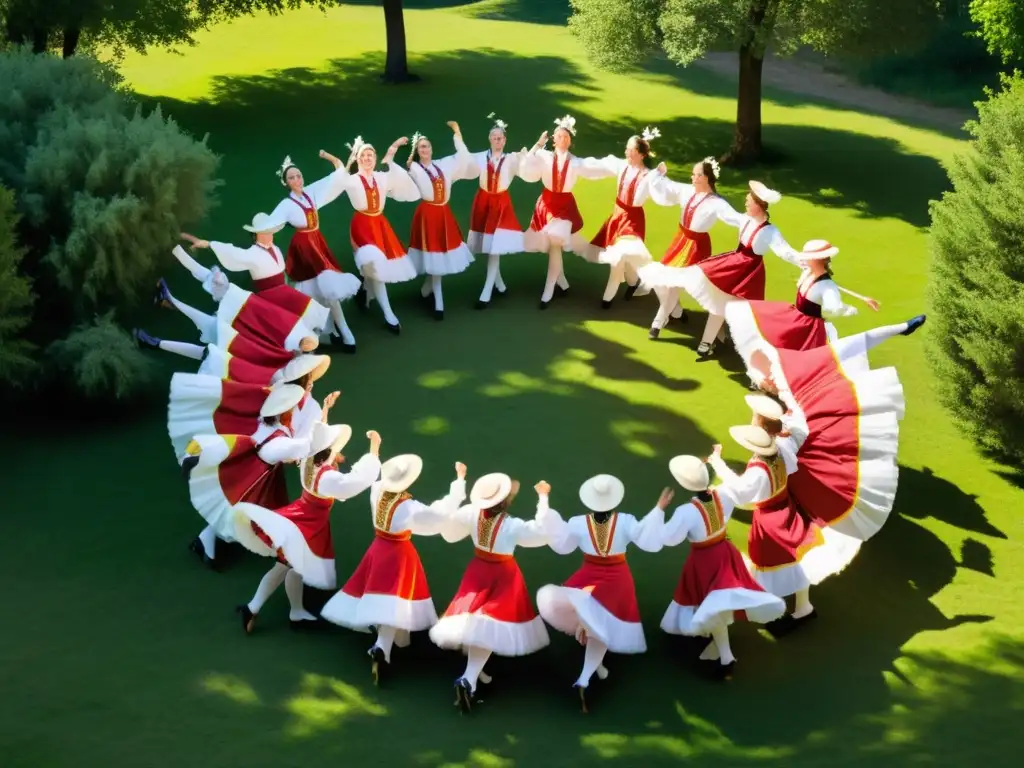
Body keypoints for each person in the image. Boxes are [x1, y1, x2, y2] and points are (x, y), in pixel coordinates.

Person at [743, 317, 923, 633]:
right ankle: (803, 607)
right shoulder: (792, 429)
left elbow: (746, 494)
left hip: (785, 502)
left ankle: (783, 607)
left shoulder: (781, 441)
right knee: (798, 554)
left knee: (785, 558)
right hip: (795, 493)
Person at [706, 397, 862, 636]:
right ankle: (803, 607)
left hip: (770, 525)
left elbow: (739, 491)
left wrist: (717, 465)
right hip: (787, 511)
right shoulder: (782, 450)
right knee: (798, 558)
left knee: (772, 566)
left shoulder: (758, 470)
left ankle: (768, 608)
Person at [321, 458, 467, 684]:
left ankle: (384, 645)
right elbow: (437, 516)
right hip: (399, 554)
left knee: (383, 598)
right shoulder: (407, 506)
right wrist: (458, 485)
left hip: (378, 548)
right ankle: (382, 646)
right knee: (394, 601)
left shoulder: (377, 489)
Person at [535, 475, 668, 712]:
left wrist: (543, 498)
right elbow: (645, 536)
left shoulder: (578, 523)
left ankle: (591, 669)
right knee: (602, 627)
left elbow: (560, 540)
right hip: (617, 580)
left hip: (588, 576)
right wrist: (658, 510)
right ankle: (585, 678)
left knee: (590, 615)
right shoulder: (625, 521)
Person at [232, 423, 382, 633]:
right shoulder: (327, 477)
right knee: (285, 566)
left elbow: (324, 451)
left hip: (300, 514)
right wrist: (373, 453)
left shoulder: (308, 461)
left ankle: (295, 611)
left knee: (292, 567)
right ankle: (253, 608)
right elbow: (353, 482)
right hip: (309, 524)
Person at [429, 473, 551, 713]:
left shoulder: (472, 514)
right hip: (504, 576)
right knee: (489, 625)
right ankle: (469, 679)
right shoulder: (511, 525)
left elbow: (450, 530)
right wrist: (543, 498)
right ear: (505, 502)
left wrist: (458, 482)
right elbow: (540, 532)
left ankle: (475, 672)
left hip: (478, 570)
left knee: (478, 623)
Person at [658, 455, 786, 679]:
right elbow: (738, 489)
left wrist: (659, 511)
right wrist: (717, 459)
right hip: (726, 552)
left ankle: (726, 657)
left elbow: (669, 539)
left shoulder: (685, 512)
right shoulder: (723, 492)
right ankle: (717, 643)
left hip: (704, 561)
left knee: (712, 602)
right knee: (718, 601)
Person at [181, 384, 315, 569]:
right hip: (255, 479)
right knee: (240, 517)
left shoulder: (264, 423)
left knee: (237, 512)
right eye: (294, 407)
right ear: (285, 413)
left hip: (249, 473)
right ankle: (279, 549)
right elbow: (303, 447)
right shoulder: (278, 441)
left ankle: (206, 542)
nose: (297, 410)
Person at [673, 181, 802, 358]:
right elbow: (726, 215)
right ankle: (707, 342)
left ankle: (754, 350)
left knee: (746, 313)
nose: (746, 203)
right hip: (734, 265)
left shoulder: (770, 231)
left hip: (750, 274)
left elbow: (785, 252)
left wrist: (807, 262)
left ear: (759, 205)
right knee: (719, 302)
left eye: (749, 201)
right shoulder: (744, 219)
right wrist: (710, 201)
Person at [725, 239, 880, 384]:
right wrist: (849, 309)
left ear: (818, 260)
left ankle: (779, 380)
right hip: (806, 322)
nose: (804, 260)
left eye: (808, 257)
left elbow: (834, 307)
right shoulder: (817, 279)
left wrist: (846, 308)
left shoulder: (815, 279)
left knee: (796, 354)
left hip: (804, 322)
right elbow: (835, 309)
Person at [519, 115, 620, 308]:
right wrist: (538, 144)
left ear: (570, 141)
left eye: (566, 137)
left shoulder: (576, 162)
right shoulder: (545, 156)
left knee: (556, 243)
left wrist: (618, 167)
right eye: (559, 136)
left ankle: (548, 290)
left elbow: (597, 168)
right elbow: (527, 166)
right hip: (547, 204)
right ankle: (562, 283)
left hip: (564, 206)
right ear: (553, 139)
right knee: (553, 244)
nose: (563, 140)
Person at [635, 157, 742, 338]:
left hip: (695, 246)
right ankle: (675, 313)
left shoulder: (716, 202)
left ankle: (657, 324)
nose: (692, 177)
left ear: (706, 178)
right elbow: (668, 187)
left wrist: (753, 222)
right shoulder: (687, 191)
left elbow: (735, 217)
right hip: (680, 241)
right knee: (665, 280)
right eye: (693, 174)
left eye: (696, 175)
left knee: (675, 284)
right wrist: (657, 173)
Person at [269, 151, 362, 351]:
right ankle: (322, 334)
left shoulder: (311, 192)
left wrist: (332, 159)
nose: (297, 180)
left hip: (317, 243)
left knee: (329, 290)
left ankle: (342, 332)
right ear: (286, 183)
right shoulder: (286, 204)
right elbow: (271, 224)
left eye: (298, 176)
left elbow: (332, 180)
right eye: (291, 178)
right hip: (303, 249)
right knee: (313, 294)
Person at [180, 214, 330, 335]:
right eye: (267, 230)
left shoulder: (275, 249)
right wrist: (208, 244)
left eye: (271, 229)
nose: (271, 233)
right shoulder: (252, 253)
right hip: (270, 300)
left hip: (285, 295)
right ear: (258, 234)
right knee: (286, 327)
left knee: (306, 314)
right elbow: (232, 252)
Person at [340, 135, 421, 334]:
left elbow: (391, 166)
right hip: (362, 226)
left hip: (380, 225)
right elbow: (337, 180)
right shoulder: (351, 181)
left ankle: (365, 292)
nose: (367, 158)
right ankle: (388, 313)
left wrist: (393, 147)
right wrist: (350, 157)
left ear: (375, 159)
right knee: (375, 264)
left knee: (377, 267)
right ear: (358, 159)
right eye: (363, 155)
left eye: (370, 155)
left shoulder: (382, 178)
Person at [583, 128, 663, 309]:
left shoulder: (649, 176)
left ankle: (607, 297)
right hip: (617, 215)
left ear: (642, 155)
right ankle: (634, 282)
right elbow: (599, 164)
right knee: (623, 257)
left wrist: (660, 175)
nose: (627, 152)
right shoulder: (622, 165)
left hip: (633, 219)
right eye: (627, 149)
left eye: (631, 150)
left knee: (619, 256)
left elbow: (663, 191)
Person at [405, 122, 476, 319]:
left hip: (443, 212)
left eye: (427, 146)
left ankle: (428, 289)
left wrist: (457, 133)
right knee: (433, 252)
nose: (424, 149)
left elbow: (463, 158)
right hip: (427, 214)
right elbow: (405, 177)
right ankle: (438, 301)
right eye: (421, 147)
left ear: (431, 149)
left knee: (440, 252)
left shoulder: (443, 164)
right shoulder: (415, 169)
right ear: (417, 151)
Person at [464, 113, 526, 308]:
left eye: (500, 138)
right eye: (494, 137)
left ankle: (486, 292)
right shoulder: (480, 157)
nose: (497, 140)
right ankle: (499, 285)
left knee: (494, 248)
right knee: (488, 246)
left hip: (500, 203)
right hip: (483, 201)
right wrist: (457, 135)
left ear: (505, 140)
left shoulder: (511, 159)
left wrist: (538, 146)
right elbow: (462, 160)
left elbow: (527, 159)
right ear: (490, 139)